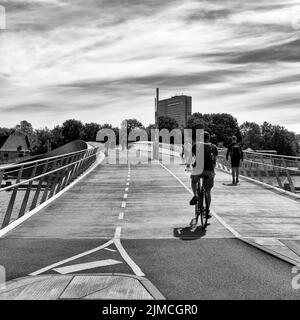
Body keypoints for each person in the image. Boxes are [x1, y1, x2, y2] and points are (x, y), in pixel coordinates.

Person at [189, 131, 218, 218]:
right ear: (209, 138)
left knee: (194, 181)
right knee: (208, 191)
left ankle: (195, 195)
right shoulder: (213, 147)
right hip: (209, 170)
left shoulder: (196, 145)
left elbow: (191, 157)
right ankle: (207, 211)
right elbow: (214, 161)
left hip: (198, 169)